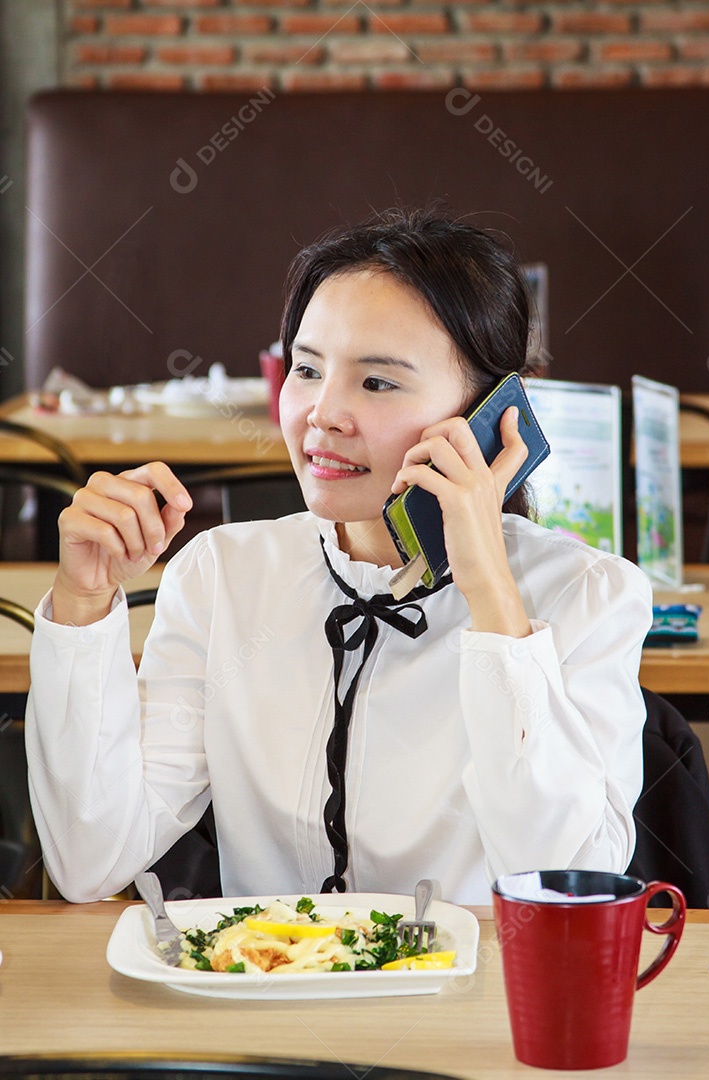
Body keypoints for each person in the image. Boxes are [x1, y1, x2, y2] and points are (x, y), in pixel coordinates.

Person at [26, 208, 652, 904]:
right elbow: (89, 860)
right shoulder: (221, 578)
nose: (322, 413)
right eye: (306, 368)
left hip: (470, 1011)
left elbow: (574, 889)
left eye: (376, 382)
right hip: (263, 997)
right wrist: (83, 604)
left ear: (496, 413)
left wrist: (492, 602)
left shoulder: (590, 597)